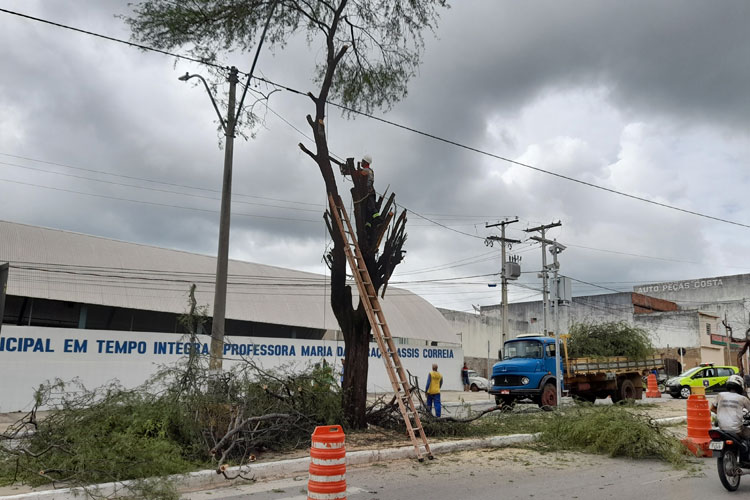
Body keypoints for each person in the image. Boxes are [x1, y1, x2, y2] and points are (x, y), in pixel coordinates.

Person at [710, 374, 750, 440]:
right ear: (741, 386)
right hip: (736, 430)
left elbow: (712, 408)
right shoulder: (743, 398)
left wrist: (722, 414)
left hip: (721, 428)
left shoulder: (720, 395)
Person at [359, 155, 380, 227]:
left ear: (365, 162)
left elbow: (366, 182)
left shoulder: (366, 171)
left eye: (362, 161)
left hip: (368, 193)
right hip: (370, 192)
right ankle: (368, 224)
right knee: (368, 210)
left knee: (371, 208)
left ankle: (377, 219)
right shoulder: (370, 171)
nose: (361, 162)